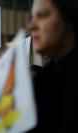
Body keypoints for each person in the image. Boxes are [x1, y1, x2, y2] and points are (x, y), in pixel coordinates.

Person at [27, 0, 78, 132]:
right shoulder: (44, 81)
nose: (32, 26)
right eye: (32, 18)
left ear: (69, 21)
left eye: (42, 15)